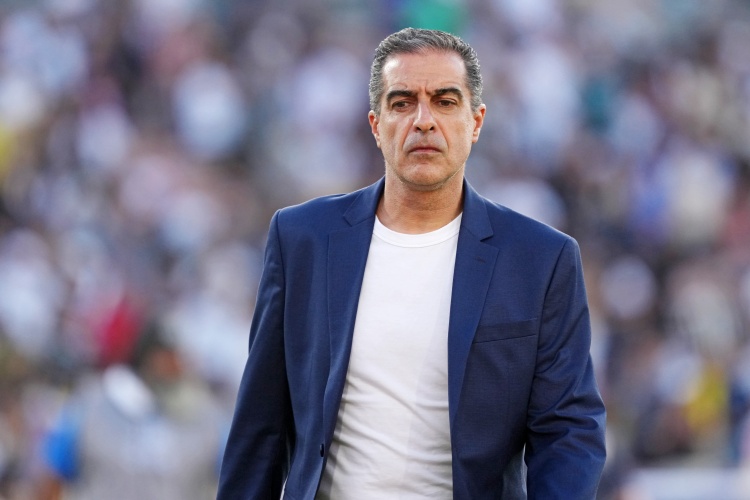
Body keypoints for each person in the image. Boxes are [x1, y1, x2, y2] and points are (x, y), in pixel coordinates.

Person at [218, 28, 606, 499]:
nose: (424, 121)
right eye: (403, 103)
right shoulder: (302, 239)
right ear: (376, 124)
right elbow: (260, 425)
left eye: (445, 101)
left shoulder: (539, 259)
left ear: (476, 122)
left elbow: (567, 431)